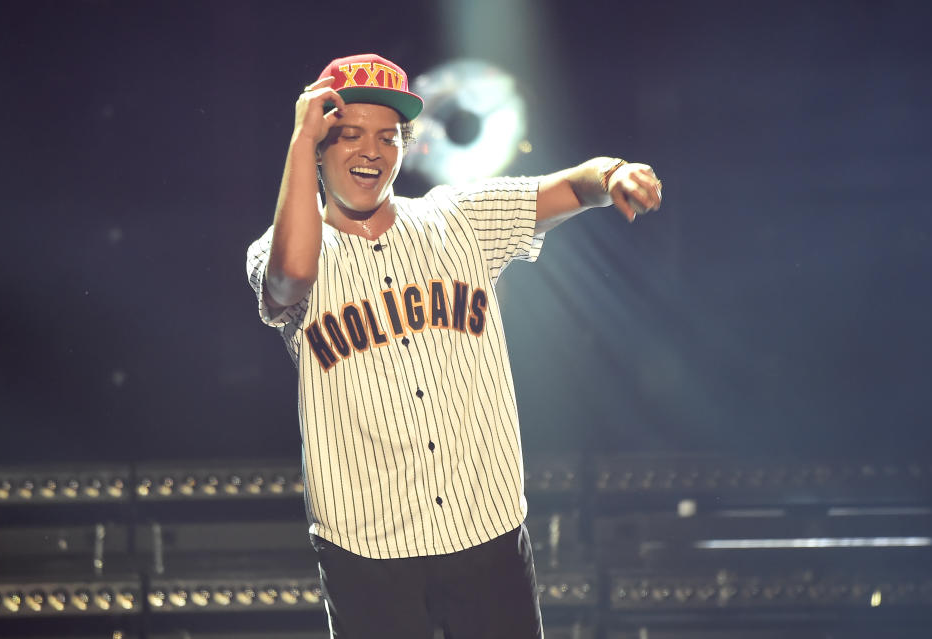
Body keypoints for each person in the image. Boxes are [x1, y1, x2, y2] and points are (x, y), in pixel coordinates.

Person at [246, 53, 662, 639]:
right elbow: (290, 275)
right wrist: (299, 136)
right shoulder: (277, 247)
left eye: (386, 136)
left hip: (484, 529)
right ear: (318, 146)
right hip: (367, 548)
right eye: (347, 135)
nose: (370, 151)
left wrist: (614, 172)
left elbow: (574, 183)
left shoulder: (459, 218)